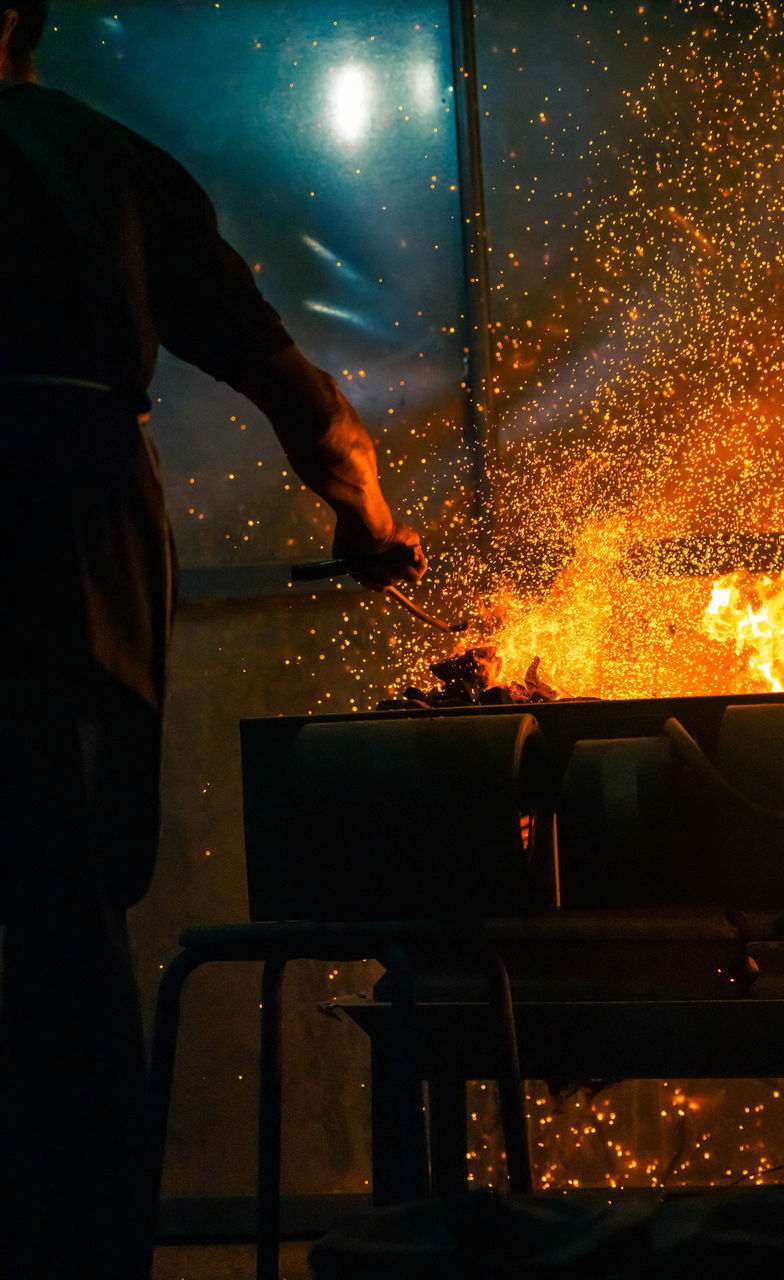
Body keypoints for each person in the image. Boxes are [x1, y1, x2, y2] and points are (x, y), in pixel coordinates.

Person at [0, 4, 427, 1277]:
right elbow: (304, 401)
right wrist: (366, 524)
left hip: (68, 516)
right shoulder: (105, 163)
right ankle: (82, 1249)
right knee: (69, 916)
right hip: (71, 530)